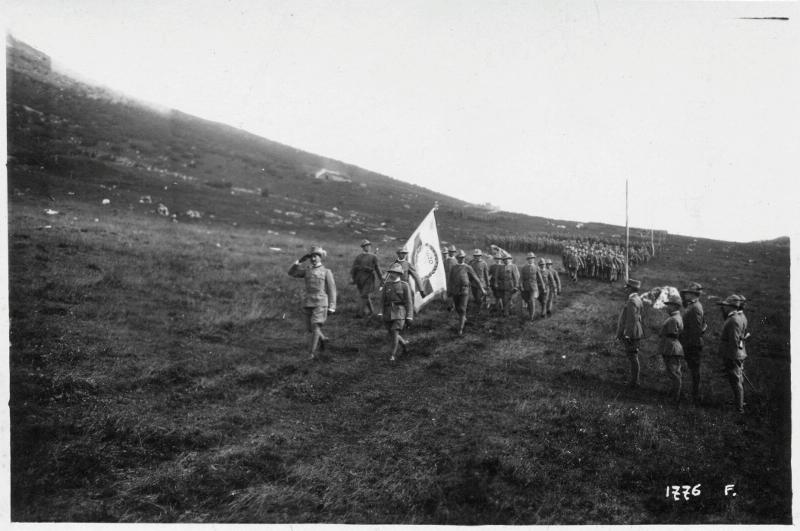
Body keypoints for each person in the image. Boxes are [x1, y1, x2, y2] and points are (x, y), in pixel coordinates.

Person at [288, 245, 337, 359]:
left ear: (320, 257)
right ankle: (323, 339)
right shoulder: (307, 270)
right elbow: (291, 273)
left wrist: (332, 306)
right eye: (311, 257)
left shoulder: (326, 271)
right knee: (310, 328)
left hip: (321, 302)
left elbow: (332, 289)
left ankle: (311, 353)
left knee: (315, 326)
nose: (313, 259)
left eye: (316, 256)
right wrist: (299, 261)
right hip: (308, 302)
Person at [717, 294, 749, 413]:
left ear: (730, 306)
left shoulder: (734, 320)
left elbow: (734, 341)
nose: (724, 308)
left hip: (733, 354)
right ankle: (739, 402)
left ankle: (739, 408)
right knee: (738, 380)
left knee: (735, 381)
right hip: (739, 353)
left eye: (725, 305)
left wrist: (732, 357)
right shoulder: (740, 317)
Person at [679, 282, 707, 404]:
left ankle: (695, 395)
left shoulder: (695, 308)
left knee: (694, 370)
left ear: (693, 294)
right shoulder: (693, 305)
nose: (685, 295)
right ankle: (692, 393)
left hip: (692, 343)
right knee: (692, 369)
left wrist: (686, 343)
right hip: (689, 342)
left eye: (688, 293)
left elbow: (696, 329)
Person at [448, 250, 486, 335]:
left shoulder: (468, 267)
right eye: (460, 257)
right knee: (457, 308)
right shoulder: (454, 267)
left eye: (463, 257)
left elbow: (476, 279)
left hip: (465, 290)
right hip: (455, 290)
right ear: (457, 258)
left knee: (462, 308)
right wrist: (449, 291)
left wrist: (482, 289)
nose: (462, 259)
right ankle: (463, 318)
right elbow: (450, 280)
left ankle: (460, 329)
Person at [616, 278, 644, 387]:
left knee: (633, 357)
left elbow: (631, 320)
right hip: (636, 331)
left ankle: (634, 381)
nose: (625, 290)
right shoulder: (637, 299)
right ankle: (634, 380)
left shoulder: (632, 301)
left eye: (627, 288)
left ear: (631, 289)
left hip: (632, 333)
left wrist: (627, 334)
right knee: (633, 356)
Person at [382, 263, 414, 361]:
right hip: (388, 312)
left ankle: (392, 355)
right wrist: (380, 312)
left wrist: (409, 316)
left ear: (399, 274)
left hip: (400, 312)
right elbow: (382, 300)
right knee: (391, 333)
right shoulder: (387, 285)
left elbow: (409, 302)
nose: (392, 274)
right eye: (391, 272)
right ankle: (404, 344)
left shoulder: (404, 286)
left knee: (394, 332)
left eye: (395, 273)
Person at [659, 293, 685, 404]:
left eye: (669, 305)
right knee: (673, 372)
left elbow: (671, 334)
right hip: (671, 347)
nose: (667, 307)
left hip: (672, 348)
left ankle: (675, 397)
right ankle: (674, 394)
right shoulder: (675, 317)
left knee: (674, 373)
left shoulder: (674, 319)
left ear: (675, 306)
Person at [350, 239, 383, 317]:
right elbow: (353, 268)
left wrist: (381, 279)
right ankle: (371, 311)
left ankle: (360, 314)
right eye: (366, 246)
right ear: (363, 247)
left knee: (364, 295)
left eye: (369, 245)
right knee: (364, 295)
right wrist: (353, 278)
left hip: (369, 278)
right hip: (359, 279)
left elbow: (377, 268)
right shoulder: (358, 257)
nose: (368, 247)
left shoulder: (374, 257)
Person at [519, 252, 546, 322]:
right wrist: (520, 285)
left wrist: (543, 286)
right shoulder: (524, 267)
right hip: (525, 287)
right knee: (527, 300)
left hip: (533, 287)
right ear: (527, 260)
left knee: (531, 301)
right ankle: (530, 310)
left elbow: (540, 278)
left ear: (534, 259)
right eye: (529, 259)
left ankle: (531, 317)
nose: (530, 260)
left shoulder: (536, 268)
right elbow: (521, 277)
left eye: (532, 259)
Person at [496, 252, 520, 317]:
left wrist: (516, 286)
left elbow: (516, 277)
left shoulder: (513, 266)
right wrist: (496, 283)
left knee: (507, 298)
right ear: (503, 260)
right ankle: (507, 309)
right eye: (505, 259)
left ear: (510, 259)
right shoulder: (500, 267)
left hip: (510, 285)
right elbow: (497, 276)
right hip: (502, 286)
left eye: (508, 259)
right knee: (503, 299)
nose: (506, 260)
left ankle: (506, 313)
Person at [468, 249, 490, 313]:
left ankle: (479, 310)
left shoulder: (483, 263)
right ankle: (480, 307)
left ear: (480, 256)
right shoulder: (471, 263)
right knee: (475, 296)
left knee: (479, 297)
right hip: (473, 283)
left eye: (478, 256)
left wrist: (488, 284)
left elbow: (486, 274)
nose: (476, 257)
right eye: (475, 256)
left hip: (481, 283)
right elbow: (468, 273)